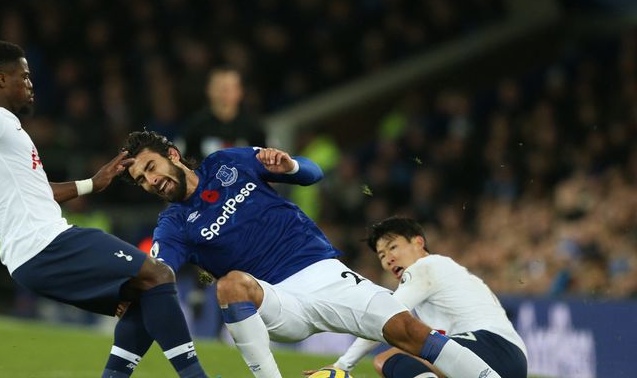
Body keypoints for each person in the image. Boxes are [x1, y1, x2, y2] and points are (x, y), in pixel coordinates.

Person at [120, 130, 502, 378]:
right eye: (141, 180)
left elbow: (312, 173)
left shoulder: (228, 164)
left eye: (151, 167)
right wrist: (123, 290)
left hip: (324, 272)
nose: (151, 181)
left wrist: (290, 164)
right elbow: (159, 271)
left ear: (172, 154)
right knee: (231, 286)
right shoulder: (173, 224)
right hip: (278, 301)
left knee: (411, 332)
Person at [0, 41, 208, 378]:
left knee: (144, 293)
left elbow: (38, 192)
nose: (30, 84)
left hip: (29, 259)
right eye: (25, 76)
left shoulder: (2, 126)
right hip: (48, 244)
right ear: (2, 79)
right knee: (160, 275)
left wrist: (92, 184)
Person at [324, 217, 528, 378]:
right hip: (511, 359)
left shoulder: (426, 267)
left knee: (389, 359)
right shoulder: (443, 273)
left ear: (418, 243)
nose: (389, 259)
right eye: (382, 255)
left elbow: (384, 317)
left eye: (393, 247)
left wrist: (342, 365)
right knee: (419, 350)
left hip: (492, 347)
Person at [179, 67, 267, 161]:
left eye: (229, 88)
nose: (223, 94)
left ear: (240, 92)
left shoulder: (254, 127)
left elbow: (268, 164)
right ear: (208, 90)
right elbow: (179, 160)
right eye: (218, 87)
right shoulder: (194, 126)